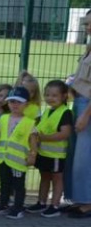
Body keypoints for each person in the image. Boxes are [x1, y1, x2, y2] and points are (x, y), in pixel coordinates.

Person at [0, 86, 40, 219]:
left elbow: (33, 140)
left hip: (18, 160)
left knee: (18, 184)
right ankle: (3, 204)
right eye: (12, 102)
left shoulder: (29, 122)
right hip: (3, 158)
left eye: (19, 102)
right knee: (4, 182)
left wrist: (32, 155)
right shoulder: (3, 118)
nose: (15, 105)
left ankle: (18, 207)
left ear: (26, 104)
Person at [30, 80, 73, 217]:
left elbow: (65, 133)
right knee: (44, 177)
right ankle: (41, 202)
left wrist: (44, 138)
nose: (50, 98)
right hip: (43, 153)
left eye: (54, 95)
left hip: (56, 156)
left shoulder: (65, 112)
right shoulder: (47, 111)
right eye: (47, 95)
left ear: (64, 96)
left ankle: (54, 206)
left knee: (57, 179)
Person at [67, 12, 91, 217]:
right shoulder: (89, 48)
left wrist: (85, 115)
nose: (87, 27)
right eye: (86, 23)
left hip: (87, 106)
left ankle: (87, 202)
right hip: (79, 101)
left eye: (90, 24)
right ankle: (79, 198)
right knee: (76, 155)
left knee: (85, 157)